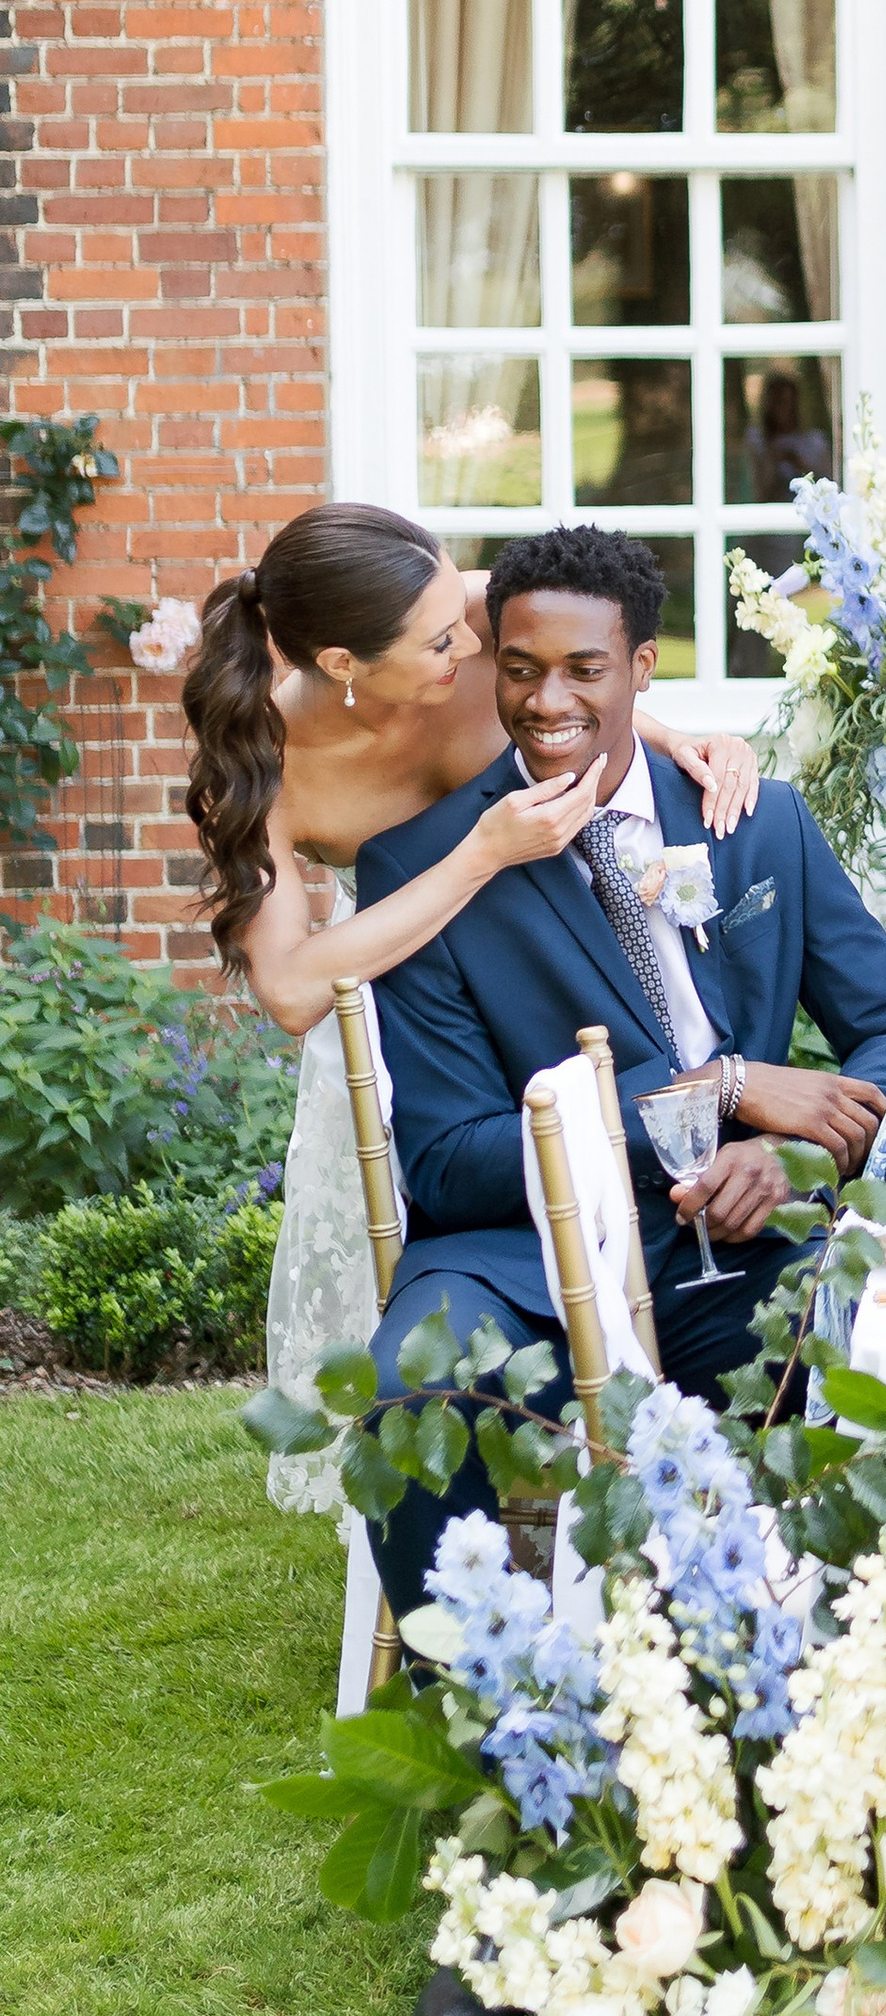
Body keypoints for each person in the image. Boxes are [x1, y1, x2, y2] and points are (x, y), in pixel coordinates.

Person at [354, 520, 886, 1634]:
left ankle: (844, 1643)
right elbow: (447, 1158)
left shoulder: (757, 822)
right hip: (522, 1259)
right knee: (409, 1387)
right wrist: (709, 1096)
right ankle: (496, 1714)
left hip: (750, 1249)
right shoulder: (423, 865)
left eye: (585, 670)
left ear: (642, 671)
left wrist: (782, 1145)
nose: (545, 701)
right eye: (520, 669)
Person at [179, 501, 762, 1533]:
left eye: (464, 616)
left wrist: (691, 743)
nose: (472, 643)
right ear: (343, 662)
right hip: (423, 1007)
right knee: (448, 1263)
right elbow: (290, 988)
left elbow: (585, 679)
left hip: (561, 969)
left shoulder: (470, 616)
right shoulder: (261, 756)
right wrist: (481, 854)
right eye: (443, 640)